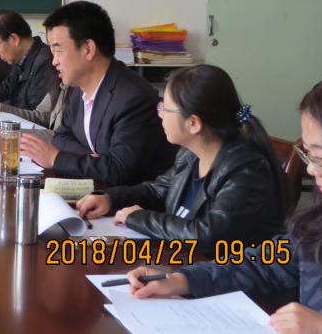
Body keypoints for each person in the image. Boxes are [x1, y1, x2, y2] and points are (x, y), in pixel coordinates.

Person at [126, 68, 322, 334]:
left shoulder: (245, 165)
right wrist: (183, 279)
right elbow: (266, 263)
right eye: (309, 155)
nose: (311, 169)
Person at [75, 64, 286, 257]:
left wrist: (138, 218)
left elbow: (208, 235)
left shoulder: (247, 170)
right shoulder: (190, 154)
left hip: (224, 276)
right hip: (180, 262)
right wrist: (110, 199)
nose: (160, 114)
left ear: (193, 123)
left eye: (165, 108)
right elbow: (157, 191)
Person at [19, 1, 176, 185]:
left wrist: (56, 158)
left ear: (88, 49)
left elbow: (120, 170)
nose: (54, 62)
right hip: (94, 189)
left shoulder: (133, 97)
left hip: (129, 198)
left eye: (58, 51)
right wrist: (93, 159)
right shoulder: (77, 88)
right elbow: (61, 137)